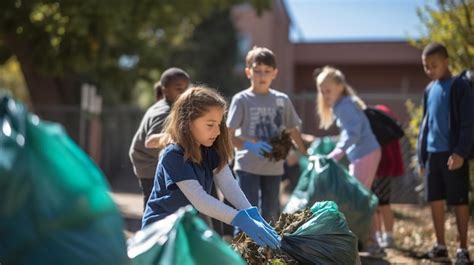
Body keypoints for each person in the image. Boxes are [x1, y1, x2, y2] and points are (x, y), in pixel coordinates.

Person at [141, 86, 280, 249]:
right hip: (159, 234)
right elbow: (200, 199)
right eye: (210, 125)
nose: (217, 131)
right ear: (187, 122)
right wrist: (239, 219)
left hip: (184, 230)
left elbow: (229, 185)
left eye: (219, 125)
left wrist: (251, 213)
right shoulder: (173, 155)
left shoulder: (209, 150)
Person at [226, 46, 308, 224]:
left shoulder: (282, 100)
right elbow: (228, 134)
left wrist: (304, 154)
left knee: (271, 212)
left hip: (274, 166)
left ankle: (267, 250)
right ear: (248, 72)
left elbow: (293, 130)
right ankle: (243, 251)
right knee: (248, 211)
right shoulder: (242, 100)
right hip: (247, 166)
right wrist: (249, 145)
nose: (262, 76)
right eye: (257, 71)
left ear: (275, 73)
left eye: (267, 71)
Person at [313, 65, 383, 256]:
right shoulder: (342, 104)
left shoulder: (344, 105)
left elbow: (353, 132)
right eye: (321, 90)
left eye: (328, 90)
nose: (324, 94)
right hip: (363, 154)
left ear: (340, 87)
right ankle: (373, 241)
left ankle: (374, 242)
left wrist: (337, 152)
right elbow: (351, 132)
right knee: (362, 197)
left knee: (359, 199)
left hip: (364, 154)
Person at [417, 42, 473, 264]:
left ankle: (463, 250)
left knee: (459, 201)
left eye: (434, 65)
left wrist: (460, 152)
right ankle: (440, 247)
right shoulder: (429, 90)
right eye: (426, 66)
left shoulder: (460, 86)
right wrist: (422, 156)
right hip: (433, 156)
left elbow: (469, 123)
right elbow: (425, 124)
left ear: (446, 62)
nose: (430, 70)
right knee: (435, 200)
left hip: (454, 155)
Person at [129, 67, 190, 210]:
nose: (185, 93)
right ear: (164, 91)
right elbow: (150, 141)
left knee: (159, 201)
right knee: (155, 203)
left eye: (187, 89)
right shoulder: (165, 112)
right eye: (179, 89)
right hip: (149, 163)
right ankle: (151, 230)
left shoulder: (172, 106)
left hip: (150, 161)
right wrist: (179, 136)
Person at [371, 104, 405, 249]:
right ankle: (379, 235)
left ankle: (387, 236)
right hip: (375, 167)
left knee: (382, 203)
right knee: (378, 204)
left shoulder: (377, 125)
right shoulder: (384, 124)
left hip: (381, 168)